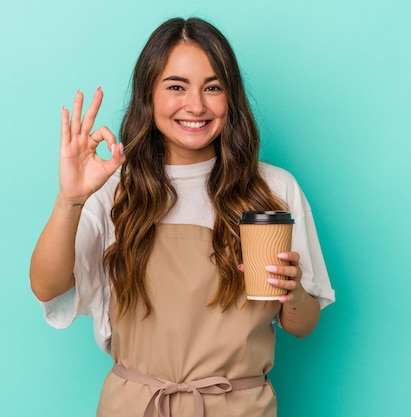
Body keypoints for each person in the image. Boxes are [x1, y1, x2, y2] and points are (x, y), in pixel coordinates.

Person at [30, 17, 335, 417]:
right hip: (137, 407)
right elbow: (47, 287)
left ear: (231, 98)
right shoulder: (115, 188)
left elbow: (303, 323)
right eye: (176, 86)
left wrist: (294, 295)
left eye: (213, 87)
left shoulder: (273, 189)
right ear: (149, 95)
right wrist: (69, 200)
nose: (196, 105)